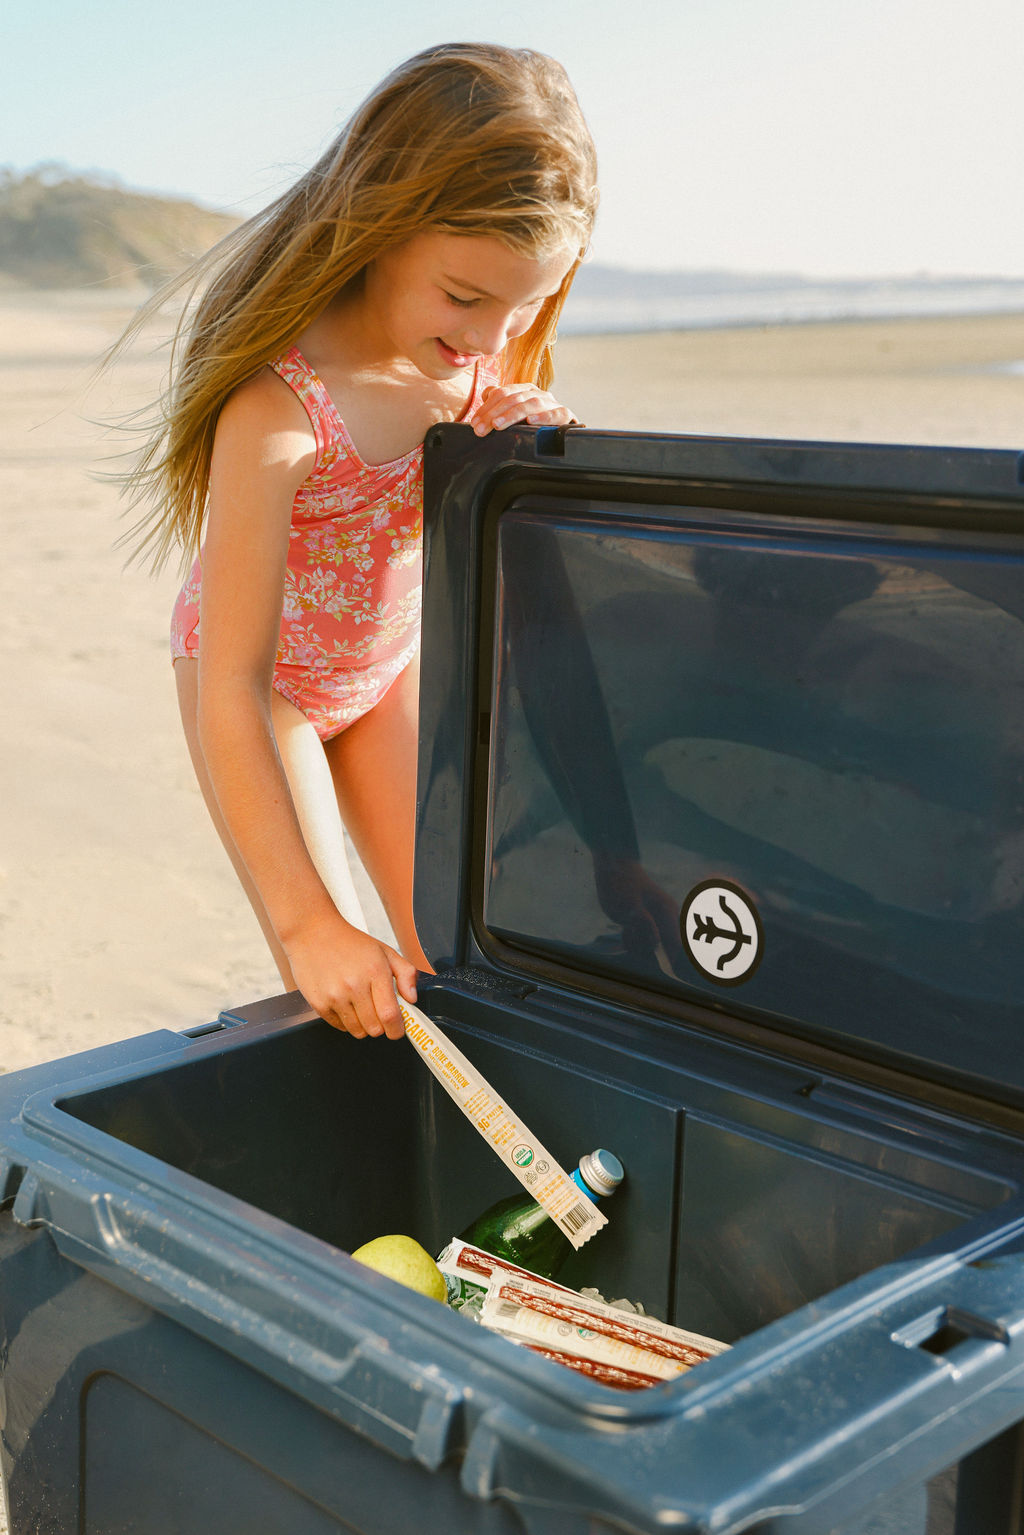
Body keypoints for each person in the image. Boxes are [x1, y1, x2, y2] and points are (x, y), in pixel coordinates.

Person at [116, 43, 598, 1044]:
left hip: (385, 675)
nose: (492, 335)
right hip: (270, 693)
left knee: (457, 964)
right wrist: (309, 926)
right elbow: (232, 686)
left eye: (526, 303)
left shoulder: (475, 354)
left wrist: (520, 439)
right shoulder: (280, 410)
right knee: (342, 983)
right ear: (379, 226)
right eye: (465, 297)